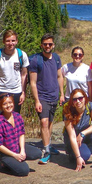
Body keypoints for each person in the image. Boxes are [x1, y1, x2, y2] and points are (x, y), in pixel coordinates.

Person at [0, 29, 29, 160]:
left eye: (13, 40)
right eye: (7, 41)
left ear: (16, 41)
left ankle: (13, 147)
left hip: (16, 92)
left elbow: (24, 74)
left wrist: (23, 92)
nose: (10, 43)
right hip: (0, 91)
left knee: (14, 121)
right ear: (3, 41)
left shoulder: (22, 55)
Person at [29, 33, 65, 164]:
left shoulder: (56, 58)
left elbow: (59, 77)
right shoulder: (35, 60)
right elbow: (33, 82)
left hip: (54, 96)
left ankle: (48, 145)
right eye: (45, 44)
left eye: (50, 44)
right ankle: (46, 151)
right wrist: (37, 100)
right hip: (42, 96)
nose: (47, 46)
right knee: (44, 122)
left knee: (49, 122)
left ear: (53, 45)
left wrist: (61, 94)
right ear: (41, 45)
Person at [0, 94, 42, 176]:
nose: (8, 106)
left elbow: (21, 134)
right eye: (5, 104)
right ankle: (6, 163)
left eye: (10, 102)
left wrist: (22, 150)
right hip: (6, 153)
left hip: (17, 147)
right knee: (24, 171)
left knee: (37, 153)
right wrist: (14, 155)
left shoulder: (17, 116)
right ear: (0, 107)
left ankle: (15, 162)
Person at [63, 88, 92, 172]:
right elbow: (72, 136)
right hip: (73, 139)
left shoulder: (91, 106)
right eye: (74, 99)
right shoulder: (68, 111)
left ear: (85, 98)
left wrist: (82, 133)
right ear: (72, 101)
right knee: (85, 156)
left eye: (80, 98)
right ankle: (72, 153)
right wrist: (78, 157)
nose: (78, 101)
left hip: (84, 135)